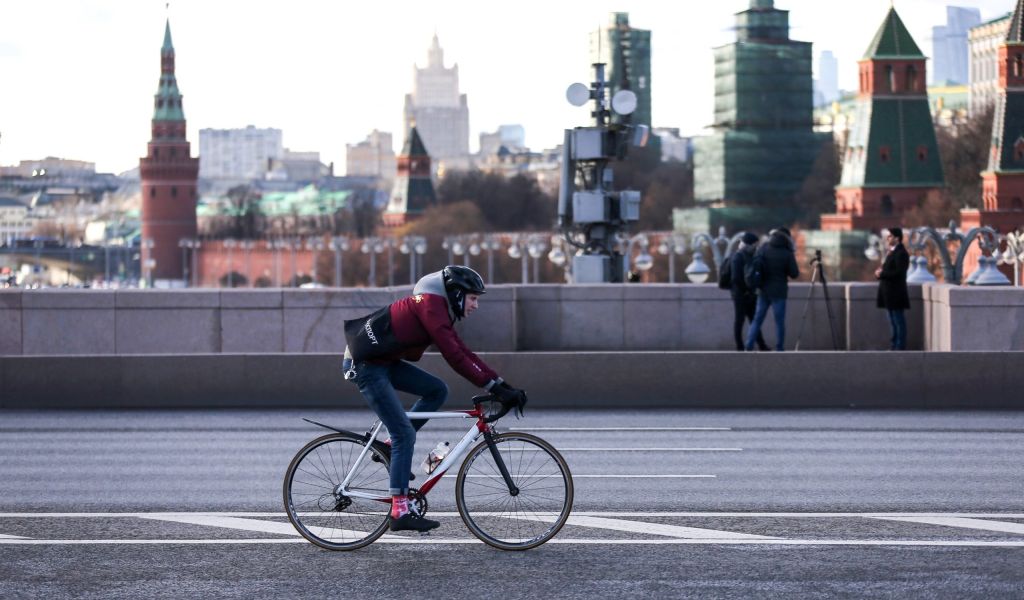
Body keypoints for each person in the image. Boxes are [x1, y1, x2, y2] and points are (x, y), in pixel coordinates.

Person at [341, 265, 527, 532]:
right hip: (365, 365)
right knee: (405, 433)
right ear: (456, 293)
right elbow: (455, 357)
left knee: (437, 390)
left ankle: (391, 445)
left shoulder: (439, 309)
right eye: (473, 298)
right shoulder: (431, 306)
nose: (476, 305)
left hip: (381, 361)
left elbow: (462, 351)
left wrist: (501, 385)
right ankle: (400, 510)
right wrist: (496, 389)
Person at [745, 227, 800, 351]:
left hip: (763, 290)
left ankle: (748, 345)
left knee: (757, 320)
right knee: (779, 322)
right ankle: (779, 348)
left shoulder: (763, 248)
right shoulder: (787, 253)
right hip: (779, 292)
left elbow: (756, 266)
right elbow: (794, 274)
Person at [729, 232, 769, 351]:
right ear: (748, 244)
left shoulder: (750, 256)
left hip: (749, 294)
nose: (756, 247)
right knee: (740, 320)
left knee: (753, 319)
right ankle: (740, 346)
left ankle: (761, 344)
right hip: (740, 295)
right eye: (754, 245)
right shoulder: (738, 256)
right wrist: (746, 290)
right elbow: (736, 278)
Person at [875, 227, 910, 350]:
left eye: (890, 236)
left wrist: (882, 274)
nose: (887, 238)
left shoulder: (901, 253)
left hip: (896, 293)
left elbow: (899, 273)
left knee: (898, 321)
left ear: (897, 238)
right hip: (889, 293)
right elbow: (888, 269)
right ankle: (894, 344)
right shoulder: (892, 252)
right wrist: (879, 272)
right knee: (893, 321)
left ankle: (899, 346)